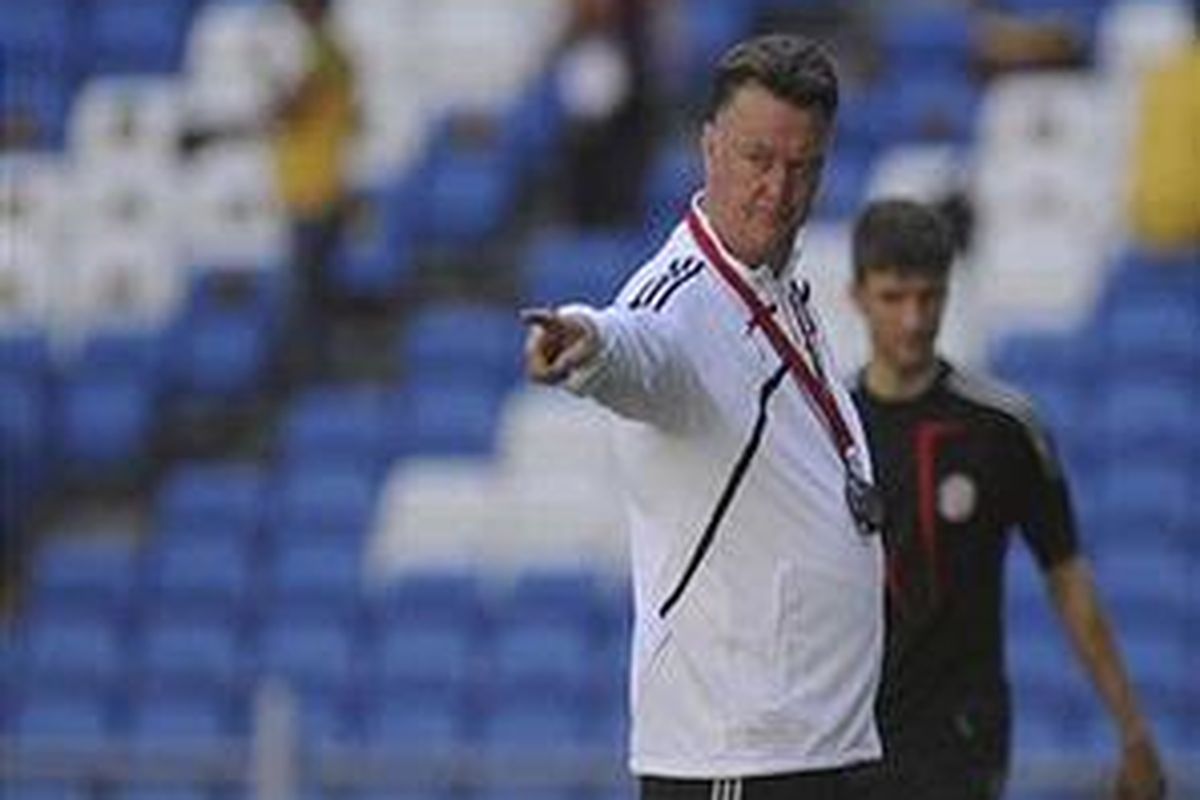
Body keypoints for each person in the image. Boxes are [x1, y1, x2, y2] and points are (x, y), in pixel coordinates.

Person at [523, 34, 885, 799]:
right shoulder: (682, 295)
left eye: (803, 167)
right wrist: (584, 343)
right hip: (738, 758)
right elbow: (635, 347)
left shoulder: (779, 287)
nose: (779, 191)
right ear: (708, 148)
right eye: (759, 160)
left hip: (820, 750)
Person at [847, 198, 1168, 800]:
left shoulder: (1002, 427)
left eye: (929, 297)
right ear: (857, 296)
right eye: (894, 298)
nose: (914, 320)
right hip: (843, 734)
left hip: (959, 734)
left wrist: (1132, 730)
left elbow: (1069, 580)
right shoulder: (824, 428)